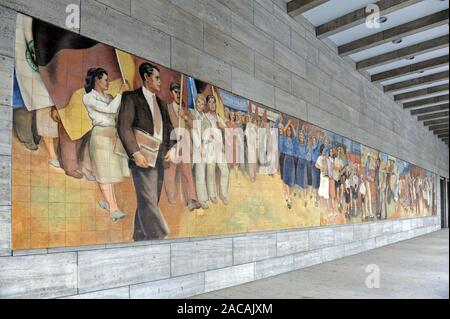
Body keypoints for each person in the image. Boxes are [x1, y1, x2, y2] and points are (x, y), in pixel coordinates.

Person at [117, 63, 175, 241]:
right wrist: (135, 153)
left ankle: (139, 235)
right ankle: (160, 234)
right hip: (141, 157)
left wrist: (172, 149)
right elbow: (124, 127)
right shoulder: (131, 97)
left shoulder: (162, 103)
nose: (160, 82)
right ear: (146, 77)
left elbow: (170, 129)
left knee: (149, 200)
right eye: (157, 78)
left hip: (159, 157)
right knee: (149, 199)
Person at [82, 67, 130, 221]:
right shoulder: (89, 97)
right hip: (100, 136)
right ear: (97, 80)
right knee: (104, 173)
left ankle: (104, 200)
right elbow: (109, 110)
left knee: (110, 172)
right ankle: (114, 209)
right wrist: (121, 93)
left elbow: (118, 112)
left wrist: (126, 96)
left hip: (113, 134)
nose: (108, 82)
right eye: (105, 80)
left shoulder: (109, 96)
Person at [163, 82, 201, 211]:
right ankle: (170, 197)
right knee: (170, 172)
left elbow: (195, 126)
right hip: (172, 143)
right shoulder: (167, 108)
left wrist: (184, 116)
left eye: (180, 92)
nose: (178, 94)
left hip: (185, 143)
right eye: (175, 92)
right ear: (171, 93)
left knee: (187, 172)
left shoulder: (185, 110)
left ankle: (191, 200)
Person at [203, 95, 230, 205]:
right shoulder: (205, 116)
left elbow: (227, 129)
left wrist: (222, 127)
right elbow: (202, 133)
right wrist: (210, 135)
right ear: (207, 104)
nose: (212, 104)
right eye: (210, 102)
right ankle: (213, 195)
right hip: (209, 148)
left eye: (214, 102)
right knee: (210, 173)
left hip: (219, 148)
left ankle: (223, 194)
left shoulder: (219, 117)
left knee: (225, 171)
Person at [190, 94, 209, 209]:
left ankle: (202, 199)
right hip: (194, 147)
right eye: (198, 103)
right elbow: (193, 132)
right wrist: (200, 146)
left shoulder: (205, 118)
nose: (200, 105)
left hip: (204, 148)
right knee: (196, 174)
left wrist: (205, 145)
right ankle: (198, 199)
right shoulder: (192, 114)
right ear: (195, 103)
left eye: (202, 104)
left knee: (201, 174)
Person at [294, 124, 309, 208]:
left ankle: (305, 199)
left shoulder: (305, 142)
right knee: (298, 178)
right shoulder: (297, 143)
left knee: (304, 180)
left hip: (304, 163)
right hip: (299, 162)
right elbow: (295, 151)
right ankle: (299, 193)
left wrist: (304, 129)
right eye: (300, 135)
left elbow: (307, 137)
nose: (301, 136)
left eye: (302, 135)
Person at [282, 122, 296, 210]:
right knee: (286, 179)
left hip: (291, 159)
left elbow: (295, 135)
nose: (289, 132)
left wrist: (292, 126)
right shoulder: (284, 138)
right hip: (286, 158)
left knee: (291, 179)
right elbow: (283, 130)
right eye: (288, 131)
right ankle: (287, 196)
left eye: (290, 131)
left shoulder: (292, 140)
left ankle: (289, 196)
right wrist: (288, 123)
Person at [315, 144, 329, 211]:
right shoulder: (320, 157)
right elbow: (316, 165)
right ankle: (321, 206)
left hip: (327, 176)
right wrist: (320, 167)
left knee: (326, 190)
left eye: (325, 150)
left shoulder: (326, 158)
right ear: (322, 150)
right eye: (323, 150)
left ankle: (325, 207)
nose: (324, 151)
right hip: (323, 175)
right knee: (322, 190)